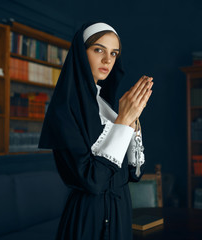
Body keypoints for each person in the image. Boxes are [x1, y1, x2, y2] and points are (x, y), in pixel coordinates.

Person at [38, 22, 153, 240]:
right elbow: (92, 181)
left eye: (114, 53)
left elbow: (135, 173)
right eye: (98, 49)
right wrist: (123, 121)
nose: (108, 60)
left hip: (120, 212)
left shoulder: (107, 107)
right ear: (82, 53)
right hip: (87, 217)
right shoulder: (64, 110)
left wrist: (133, 123)